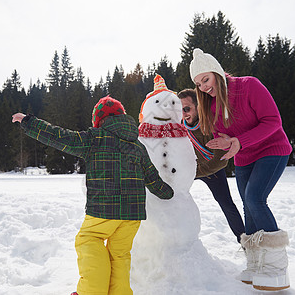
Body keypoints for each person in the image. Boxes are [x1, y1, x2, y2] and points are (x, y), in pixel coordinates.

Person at [12, 95, 174, 295]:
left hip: (104, 209)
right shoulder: (137, 146)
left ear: (99, 120)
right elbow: (152, 178)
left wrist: (29, 122)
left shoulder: (94, 138)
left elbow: (60, 136)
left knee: (89, 240)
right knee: (120, 255)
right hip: (132, 215)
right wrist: (168, 193)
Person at [189, 48, 293, 291]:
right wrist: (224, 142)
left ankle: (277, 267)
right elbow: (220, 136)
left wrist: (237, 141)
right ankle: (256, 264)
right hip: (244, 157)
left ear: (216, 72)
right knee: (247, 206)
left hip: (272, 149)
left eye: (206, 79)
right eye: (198, 83)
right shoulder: (210, 106)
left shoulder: (249, 86)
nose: (203, 87)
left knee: (255, 198)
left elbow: (273, 121)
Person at [177, 88, 245, 244]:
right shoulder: (179, 127)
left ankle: (244, 241)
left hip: (211, 171)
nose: (183, 113)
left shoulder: (211, 124)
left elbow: (220, 159)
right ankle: (177, 242)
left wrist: (194, 173)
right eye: (179, 109)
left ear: (198, 107)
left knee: (226, 204)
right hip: (191, 170)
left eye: (187, 109)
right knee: (174, 200)